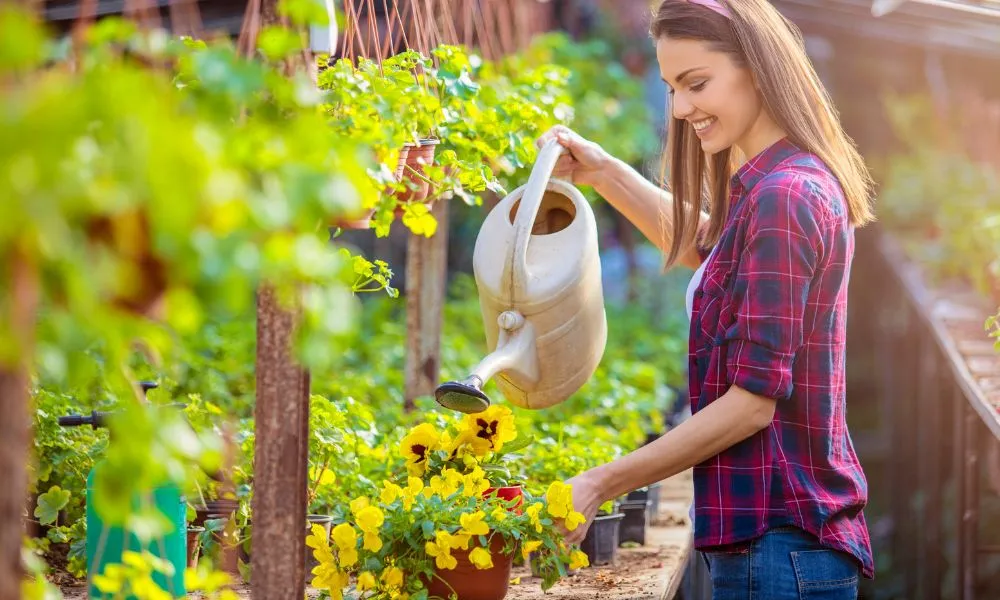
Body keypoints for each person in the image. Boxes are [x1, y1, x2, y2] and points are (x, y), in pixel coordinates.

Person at [535, 0, 875, 597]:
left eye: (696, 84)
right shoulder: (782, 183)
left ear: (758, 68)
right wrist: (604, 172)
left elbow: (751, 405)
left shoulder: (783, 197)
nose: (679, 108)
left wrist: (597, 483)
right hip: (781, 547)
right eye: (672, 88)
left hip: (779, 547)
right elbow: (710, 250)